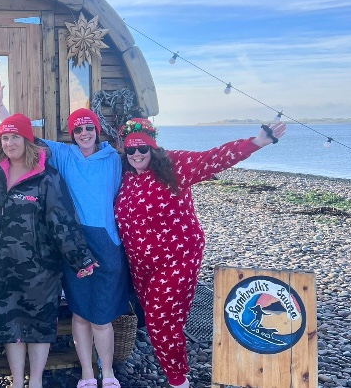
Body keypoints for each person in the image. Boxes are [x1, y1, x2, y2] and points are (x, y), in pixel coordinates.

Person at [113, 118, 286, 388]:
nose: (136, 154)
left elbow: (212, 159)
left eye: (142, 149)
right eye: (131, 150)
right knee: (163, 320)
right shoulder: (124, 174)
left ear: (152, 148)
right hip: (141, 266)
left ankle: (178, 380)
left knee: (159, 322)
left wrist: (255, 143)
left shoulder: (174, 165)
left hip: (177, 259)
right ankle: (177, 364)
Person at [0, 76, 128, 388]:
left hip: (107, 240)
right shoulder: (64, 155)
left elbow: (141, 171)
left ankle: (108, 373)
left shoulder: (114, 159)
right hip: (74, 239)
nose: (84, 133)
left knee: (103, 314)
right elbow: (24, 136)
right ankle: (87, 373)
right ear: (71, 134)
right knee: (80, 312)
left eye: (88, 127)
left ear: (97, 130)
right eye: (78, 129)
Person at [0, 113, 97, 388]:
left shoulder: (47, 176)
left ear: (27, 140)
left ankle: (36, 381)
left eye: (15, 137)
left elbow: (62, 219)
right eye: (5, 138)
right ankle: (17, 381)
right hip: (0, 267)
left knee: (39, 326)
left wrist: (81, 258)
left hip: (40, 269)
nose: (9, 143)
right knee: (10, 326)